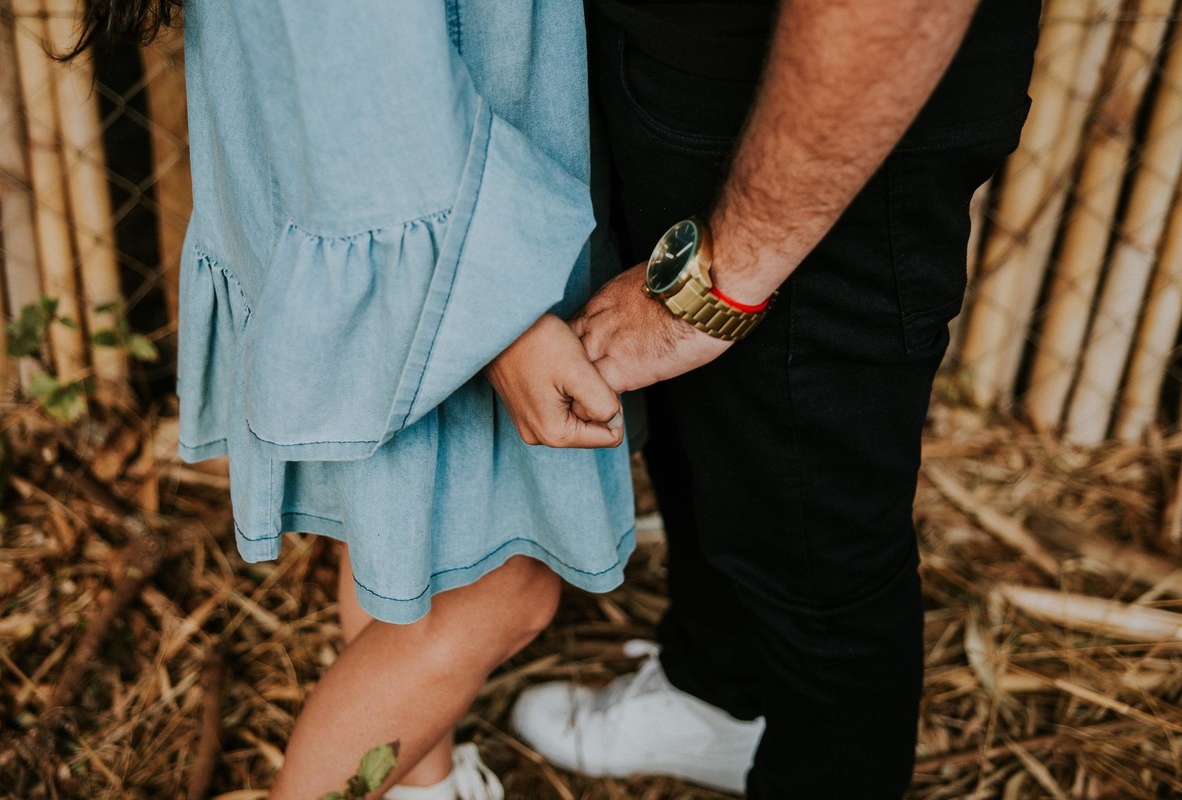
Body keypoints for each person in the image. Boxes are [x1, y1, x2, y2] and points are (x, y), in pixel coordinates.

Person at [71, 2, 636, 799]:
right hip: (413, 199)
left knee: (398, 536)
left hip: (357, 178)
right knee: (503, 592)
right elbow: (368, 58)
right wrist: (494, 306)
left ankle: (422, 788)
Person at [511, 0, 1041, 797]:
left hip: (835, 123)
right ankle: (718, 698)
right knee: (710, 445)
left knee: (816, 551)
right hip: (679, 68)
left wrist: (717, 282)